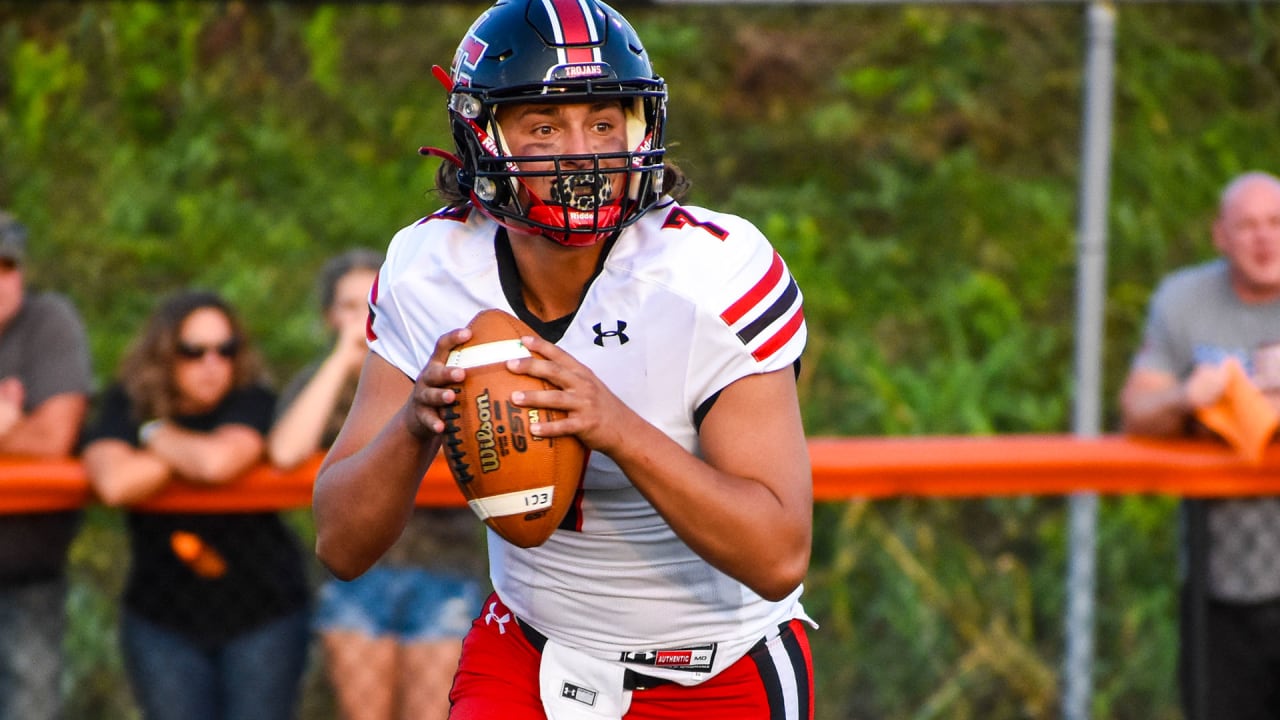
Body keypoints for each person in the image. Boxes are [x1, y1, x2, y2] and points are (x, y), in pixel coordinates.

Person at [312, 1, 815, 718]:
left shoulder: (711, 272)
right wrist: (414, 426)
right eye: (545, 126)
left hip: (716, 668)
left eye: (604, 123)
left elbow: (778, 556)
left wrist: (613, 425)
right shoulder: (430, 268)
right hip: (530, 651)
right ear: (483, 137)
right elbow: (340, 543)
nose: (582, 152)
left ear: (641, 128)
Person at [268, 248, 485, 720]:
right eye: (348, 307)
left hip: (442, 566)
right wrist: (342, 362)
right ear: (329, 316)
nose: (360, 317)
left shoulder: (438, 370)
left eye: (370, 303)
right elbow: (285, 452)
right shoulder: (320, 384)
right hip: (358, 576)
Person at [80, 290, 310, 720]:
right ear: (164, 353)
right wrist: (185, 452)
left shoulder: (250, 399)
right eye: (193, 351)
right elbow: (113, 483)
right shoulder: (126, 401)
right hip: (162, 620)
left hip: (263, 613)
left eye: (227, 350)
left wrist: (152, 436)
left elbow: (216, 463)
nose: (212, 364)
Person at [1119, 170, 1280, 720]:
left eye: (1277, 223)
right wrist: (1190, 395)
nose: (1265, 239)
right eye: (1249, 226)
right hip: (1221, 585)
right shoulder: (1185, 301)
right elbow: (1137, 411)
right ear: (1221, 236)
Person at [0, 210, 93, 720]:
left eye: (7, 266)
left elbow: (55, 439)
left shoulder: (49, 321)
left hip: (26, 567)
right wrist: (11, 426)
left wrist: (15, 429)